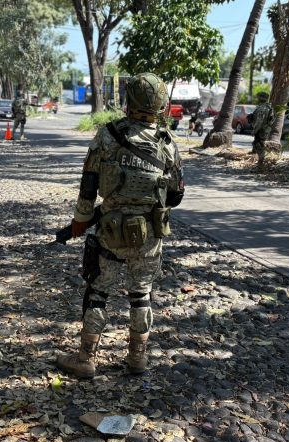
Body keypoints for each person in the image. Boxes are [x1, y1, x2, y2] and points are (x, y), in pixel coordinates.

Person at [56, 72, 185, 378]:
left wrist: (80, 221)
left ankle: (86, 359)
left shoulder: (108, 135)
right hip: (149, 234)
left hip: (109, 231)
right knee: (141, 294)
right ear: (161, 104)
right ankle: (137, 358)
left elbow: (88, 186)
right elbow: (176, 196)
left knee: (98, 291)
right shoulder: (167, 143)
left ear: (129, 100)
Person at [251, 91, 275, 159]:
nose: (257, 99)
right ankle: (257, 157)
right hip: (264, 129)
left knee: (259, 144)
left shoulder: (263, 108)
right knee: (258, 143)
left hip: (261, 129)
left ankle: (261, 160)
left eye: (258, 97)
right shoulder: (268, 107)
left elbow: (260, 121)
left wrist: (255, 130)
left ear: (261, 98)